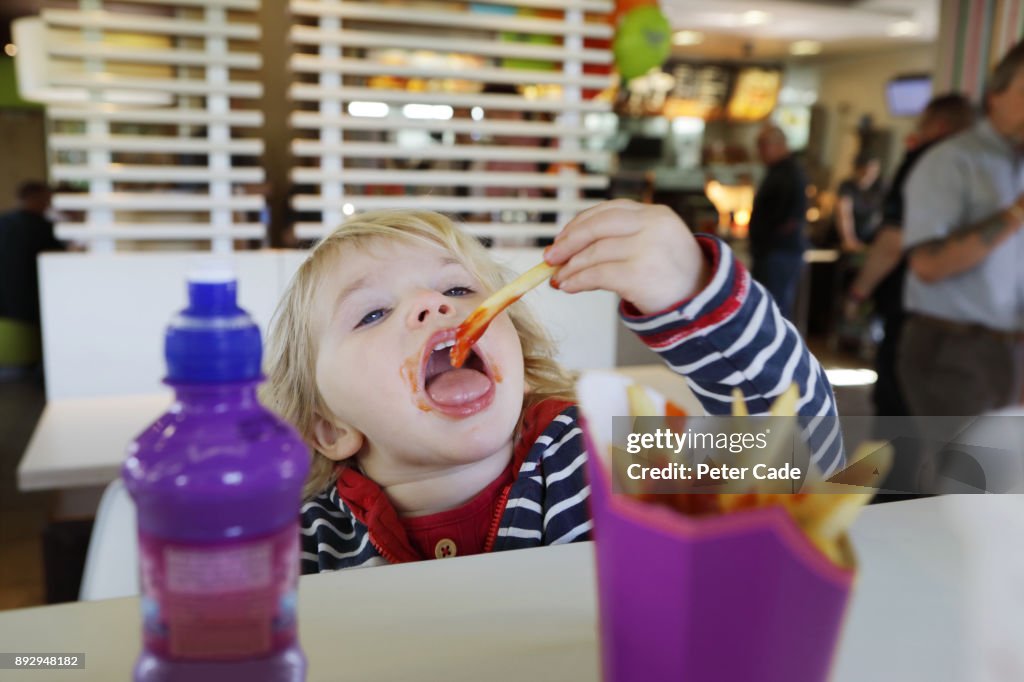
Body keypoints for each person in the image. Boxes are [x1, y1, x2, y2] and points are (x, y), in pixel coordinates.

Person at [262, 201, 842, 573]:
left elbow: (805, 456)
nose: (432, 305)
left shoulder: (605, 462)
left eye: (461, 291)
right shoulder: (301, 547)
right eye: (371, 313)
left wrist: (693, 292)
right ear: (330, 426)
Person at [899, 42, 1024, 417]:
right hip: (953, 347)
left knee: (1008, 472)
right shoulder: (950, 162)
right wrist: (1016, 213)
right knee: (968, 474)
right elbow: (928, 266)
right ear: (994, 97)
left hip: (1011, 348)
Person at [844, 94, 976, 417]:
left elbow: (894, 240)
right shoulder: (987, 166)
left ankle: (894, 468)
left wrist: (859, 290)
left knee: (898, 403)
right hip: (970, 314)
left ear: (939, 124)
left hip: (915, 304)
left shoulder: (928, 162)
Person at [749, 125, 809, 321]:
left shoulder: (790, 173)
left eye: (762, 146)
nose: (759, 152)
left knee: (774, 313)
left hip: (779, 253)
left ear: (778, 145)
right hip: (771, 252)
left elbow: (791, 218)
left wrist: (767, 238)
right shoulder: (777, 171)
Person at [0, 182, 65, 325]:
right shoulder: (43, 229)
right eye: (47, 200)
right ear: (37, 198)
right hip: (28, 310)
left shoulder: (3, 222)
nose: (48, 205)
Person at [834, 154, 885, 253]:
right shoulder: (847, 186)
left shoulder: (881, 186)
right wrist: (849, 240)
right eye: (866, 170)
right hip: (847, 235)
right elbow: (844, 214)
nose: (869, 175)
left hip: (871, 236)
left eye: (873, 171)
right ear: (857, 169)